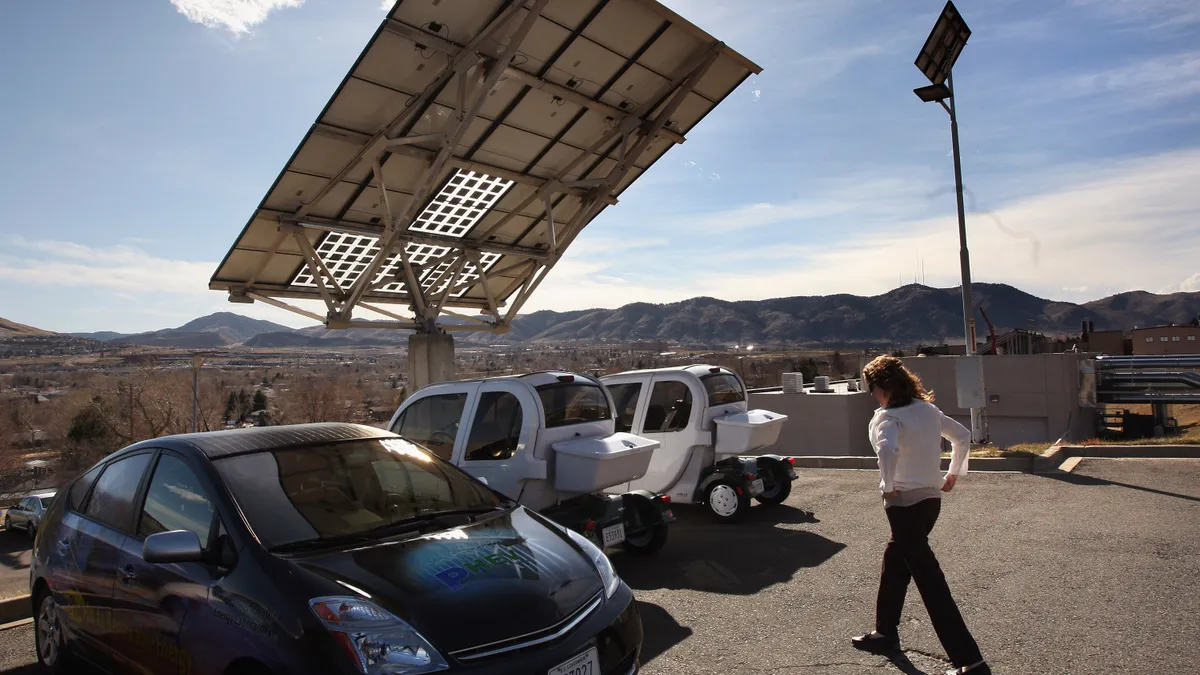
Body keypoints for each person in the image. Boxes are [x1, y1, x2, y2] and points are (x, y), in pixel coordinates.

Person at [851, 355, 990, 675]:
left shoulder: (887, 417)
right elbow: (963, 435)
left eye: (871, 388)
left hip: (903, 504)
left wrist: (887, 485)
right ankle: (885, 632)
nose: (871, 394)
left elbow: (887, 449)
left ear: (881, 387)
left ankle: (971, 662)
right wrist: (953, 473)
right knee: (895, 559)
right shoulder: (928, 410)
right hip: (930, 502)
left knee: (930, 580)